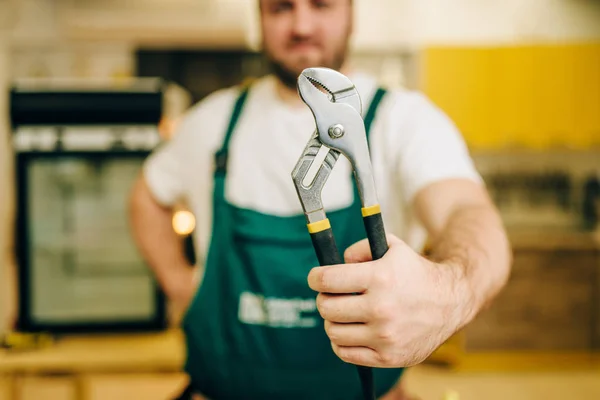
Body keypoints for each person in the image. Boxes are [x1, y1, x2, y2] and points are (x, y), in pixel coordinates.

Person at [128, 0, 512, 399]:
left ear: (351, 12)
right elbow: (146, 197)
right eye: (281, 8)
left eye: (321, 5)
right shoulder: (211, 122)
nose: (301, 26)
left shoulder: (406, 121)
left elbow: (466, 212)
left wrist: (450, 293)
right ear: (258, 17)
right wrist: (183, 288)